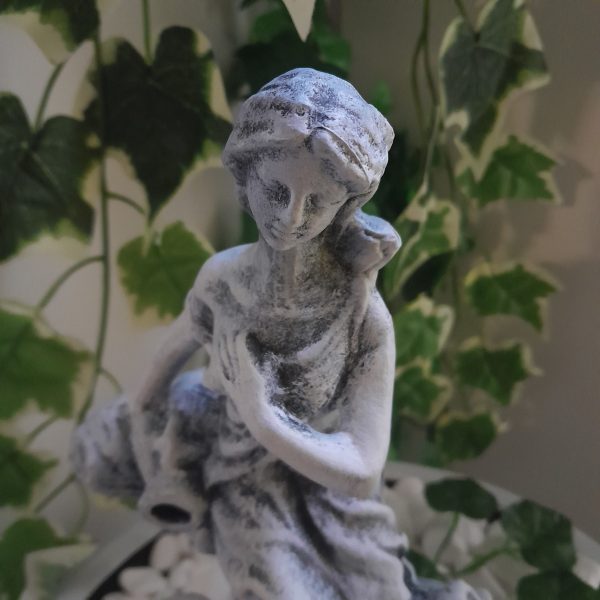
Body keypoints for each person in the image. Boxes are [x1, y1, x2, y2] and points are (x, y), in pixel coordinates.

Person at [74, 68, 488, 600]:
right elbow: (147, 396)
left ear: (345, 206)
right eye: (275, 190)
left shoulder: (363, 316)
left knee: (385, 590)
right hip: (246, 493)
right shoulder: (223, 282)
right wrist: (164, 467)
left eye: (317, 202)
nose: (291, 217)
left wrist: (262, 414)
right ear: (246, 177)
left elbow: (362, 471)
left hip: (335, 499)